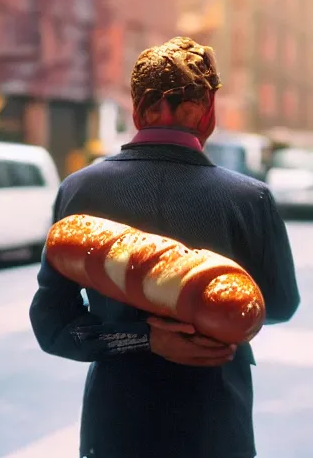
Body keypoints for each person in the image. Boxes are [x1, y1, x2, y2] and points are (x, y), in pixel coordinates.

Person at [29, 37, 300, 458]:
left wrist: (143, 339)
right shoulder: (251, 199)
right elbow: (279, 305)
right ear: (208, 112)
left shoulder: (79, 190)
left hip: (116, 429)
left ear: (137, 110)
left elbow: (52, 324)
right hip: (214, 427)